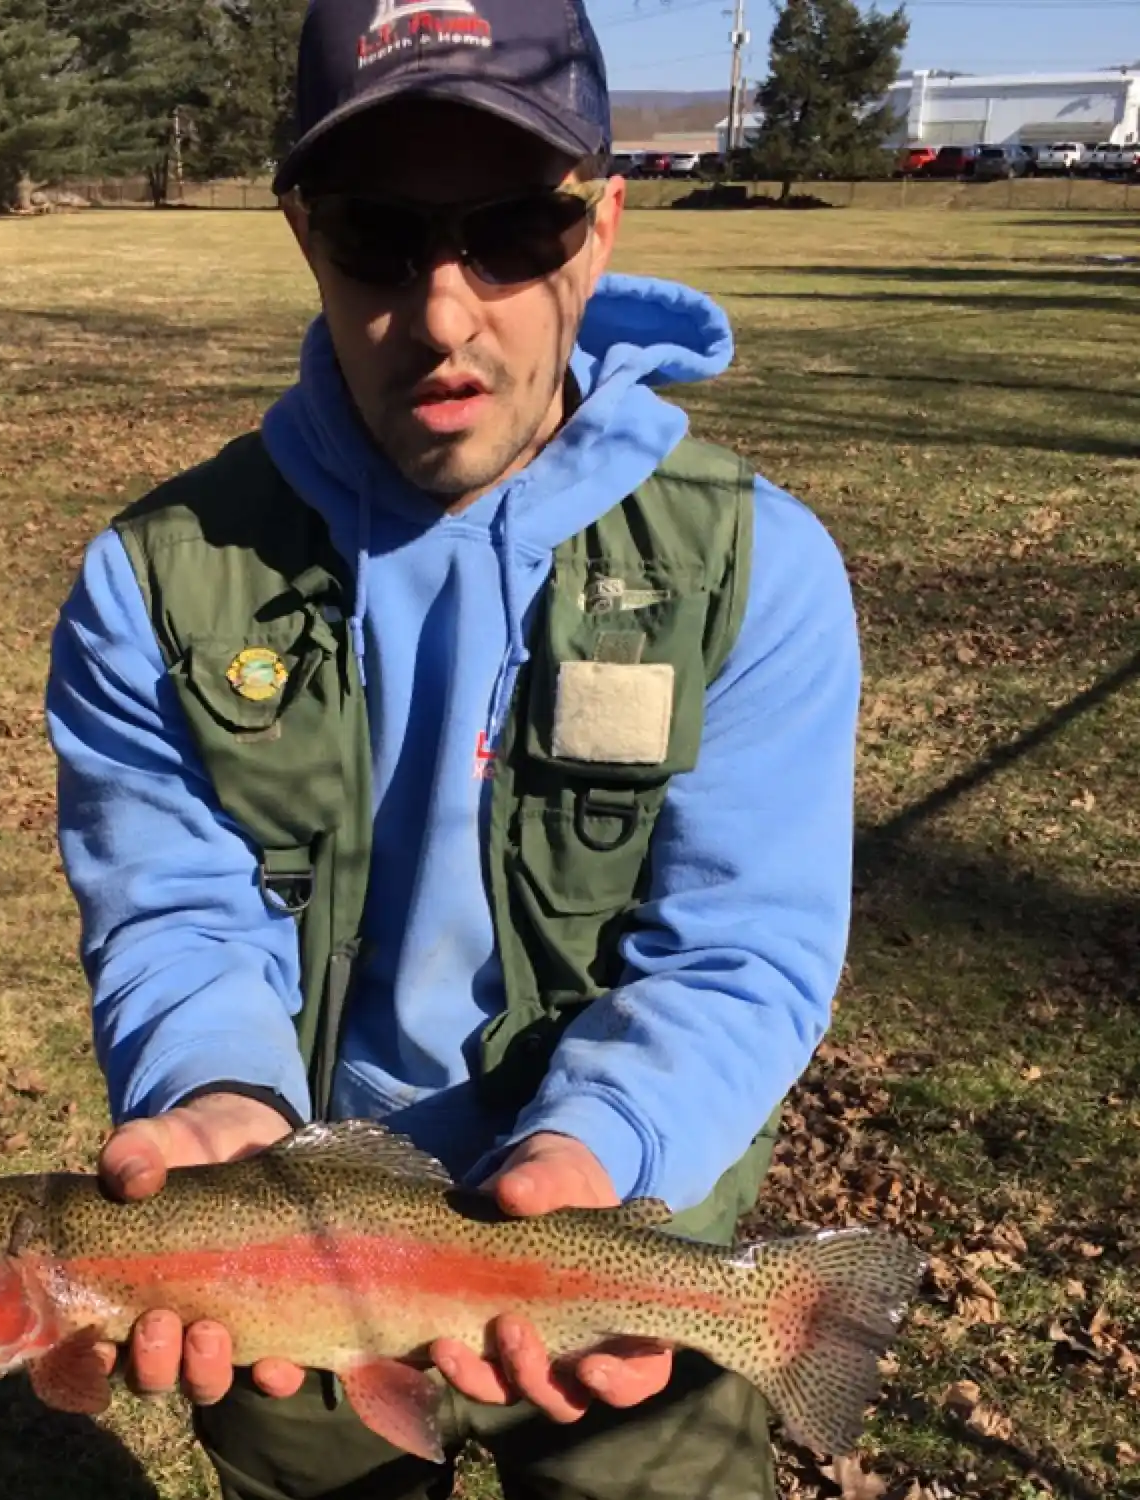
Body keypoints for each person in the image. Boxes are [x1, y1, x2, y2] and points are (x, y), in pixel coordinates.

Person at [44, 0, 860, 1494]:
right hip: (284, 1229)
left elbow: (742, 949)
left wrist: (598, 1147)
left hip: (629, 1219)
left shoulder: (759, 567)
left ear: (601, 225)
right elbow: (173, 909)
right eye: (376, 231)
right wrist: (219, 1102)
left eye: (508, 231)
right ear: (303, 232)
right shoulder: (153, 578)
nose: (442, 311)